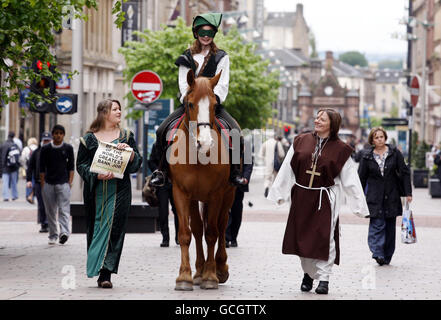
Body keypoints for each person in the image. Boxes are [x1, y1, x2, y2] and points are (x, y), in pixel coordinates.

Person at [268, 108, 369, 295]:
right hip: (301, 196)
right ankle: (308, 273)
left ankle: (324, 278)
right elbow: (287, 168)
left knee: (325, 237)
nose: (317, 121)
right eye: (317, 117)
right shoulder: (301, 141)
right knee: (303, 238)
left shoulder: (341, 149)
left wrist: (359, 205)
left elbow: (351, 179)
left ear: (333, 123)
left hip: (325, 198)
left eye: (322, 119)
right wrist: (278, 193)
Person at [149, 12, 246, 188]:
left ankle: (234, 172)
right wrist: (192, 98)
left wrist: (211, 99)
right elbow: (182, 83)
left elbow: (223, 84)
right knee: (162, 130)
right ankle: (160, 171)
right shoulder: (186, 57)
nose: (206, 36)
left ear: (214, 34)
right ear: (196, 33)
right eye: (202, 32)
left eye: (210, 32)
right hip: (191, 104)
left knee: (236, 133)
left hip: (211, 104)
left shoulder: (222, 57)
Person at [76, 99, 142, 289]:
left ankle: (106, 274)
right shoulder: (88, 139)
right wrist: (96, 175)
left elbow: (137, 161)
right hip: (95, 192)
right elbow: (81, 165)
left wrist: (129, 153)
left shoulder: (126, 136)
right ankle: (95, 265)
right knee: (97, 227)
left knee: (114, 229)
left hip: (120, 191)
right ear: (104, 113)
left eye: (120, 109)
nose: (119, 112)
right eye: (115, 109)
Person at [358, 127, 412, 266]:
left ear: (385, 138)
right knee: (377, 224)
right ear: (372, 140)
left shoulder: (394, 153)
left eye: (381, 136)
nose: (379, 139)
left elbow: (404, 172)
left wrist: (408, 193)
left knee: (389, 226)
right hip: (374, 196)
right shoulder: (367, 156)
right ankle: (377, 252)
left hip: (391, 194)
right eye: (376, 137)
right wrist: (359, 196)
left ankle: (387, 255)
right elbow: (361, 178)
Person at [40, 125, 74, 245]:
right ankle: (53, 234)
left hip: (63, 183)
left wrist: (70, 182)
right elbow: (41, 168)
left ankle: (64, 232)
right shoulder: (45, 149)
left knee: (64, 209)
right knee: (50, 211)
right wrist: (43, 184)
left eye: (61, 133)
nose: (58, 135)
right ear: (53, 134)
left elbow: (71, 167)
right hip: (49, 183)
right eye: (56, 133)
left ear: (63, 135)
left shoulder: (68, 148)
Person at [147, 141, 179, 247]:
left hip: (176, 183)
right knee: (163, 212)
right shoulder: (157, 144)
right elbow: (151, 161)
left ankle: (178, 237)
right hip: (162, 184)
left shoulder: (179, 145)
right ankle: (165, 238)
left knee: (178, 211)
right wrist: (158, 171)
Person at [27, 132, 52, 233]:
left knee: (50, 204)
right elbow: (30, 167)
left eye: (48, 140)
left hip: (51, 182)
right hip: (38, 182)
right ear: (42, 141)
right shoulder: (36, 152)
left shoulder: (54, 151)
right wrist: (29, 180)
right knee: (41, 204)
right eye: (45, 140)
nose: (46, 142)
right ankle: (44, 224)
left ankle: (50, 222)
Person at [225, 160, 253, 248]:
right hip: (226, 185)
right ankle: (226, 237)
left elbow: (248, 165)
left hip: (239, 184)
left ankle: (233, 237)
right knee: (226, 211)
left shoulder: (246, 146)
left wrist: (246, 178)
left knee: (236, 212)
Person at [259, 133, 285, 198]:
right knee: (276, 178)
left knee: (267, 178)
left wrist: (265, 159)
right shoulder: (277, 143)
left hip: (268, 164)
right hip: (276, 164)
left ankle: (266, 187)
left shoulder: (265, 143)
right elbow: (282, 154)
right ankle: (274, 192)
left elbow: (260, 154)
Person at [1, 131, 21, 201]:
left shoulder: (3, 145)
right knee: (14, 182)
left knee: (5, 182)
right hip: (14, 166)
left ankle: (6, 196)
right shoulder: (15, 145)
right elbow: (18, 156)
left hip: (5, 167)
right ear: (13, 136)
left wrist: (2, 167)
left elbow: (2, 157)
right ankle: (14, 195)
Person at [21, 137, 39, 204]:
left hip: (28, 167)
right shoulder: (37, 148)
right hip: (36, 168)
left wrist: (25, 167)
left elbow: (22, 159)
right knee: (35, 181)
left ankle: (28, 195)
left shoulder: (26, 148)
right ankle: (32, 196)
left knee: (29, 181)